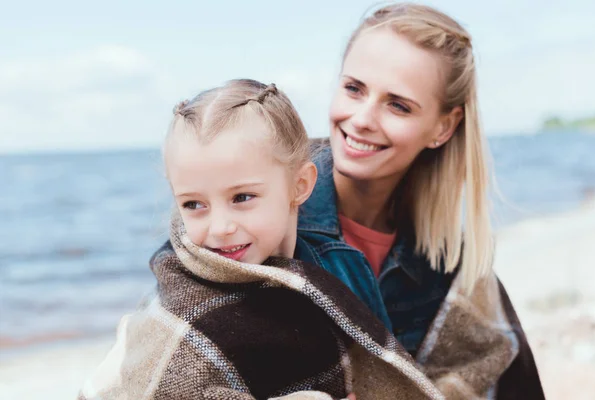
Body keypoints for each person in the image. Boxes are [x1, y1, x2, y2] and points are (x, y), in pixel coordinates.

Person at [78, 79, 444, 400]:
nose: (220, 227)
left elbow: (381, 361)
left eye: (242, 198)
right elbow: (156, 381)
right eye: (194, 204)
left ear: (299, 186)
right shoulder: (183, 298)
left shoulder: (342, 266)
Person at [294, 3, 546, 399]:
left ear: (443, 127)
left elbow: (513, 383)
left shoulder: (451, 266)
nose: (361, 118)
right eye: (353, 88)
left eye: (398, 105)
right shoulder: (263, 222)